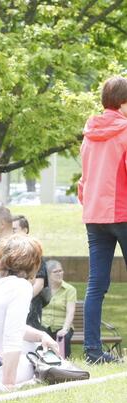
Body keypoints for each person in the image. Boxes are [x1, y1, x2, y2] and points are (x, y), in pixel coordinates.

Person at [0, 235, 59, 389]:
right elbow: (12, 337)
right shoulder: (20, 287)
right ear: (34, 264)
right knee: (38, 359)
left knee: (36, 342)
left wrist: (42, 335)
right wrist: (8, 384)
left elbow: (7, 325)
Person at [78, 76, 127, 364]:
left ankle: (92, 352)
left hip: (95, 216)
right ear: (123, 104)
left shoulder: (89, 134)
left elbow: (84, 180)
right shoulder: (124, 132)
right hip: (122, 212)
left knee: (96, 284)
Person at [12, 215, 50, 330]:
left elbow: (39, 284)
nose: (12, 234)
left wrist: (23, 299)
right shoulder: (9, 254)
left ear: (25, 230)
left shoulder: (34, 253)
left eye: (14, 230)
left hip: (31, 306)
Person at [42, 259, 77, 358]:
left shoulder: (70, 290)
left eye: (60, 271)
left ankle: (64, 363)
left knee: (63, 337)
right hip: (44, 326)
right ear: (48, 274)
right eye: (55, 272)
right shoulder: (43, 289)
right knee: (38, 336)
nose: (59, 274)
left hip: (62, 326)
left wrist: (65, 329)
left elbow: (70, 312)